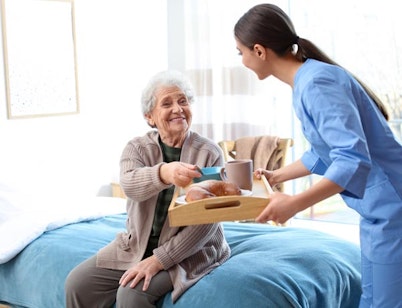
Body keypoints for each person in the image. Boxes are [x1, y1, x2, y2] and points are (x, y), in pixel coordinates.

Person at [234, 3, 402, 308]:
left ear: (259, 51)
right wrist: (277, 176)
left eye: (240, 52)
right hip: (381, 211)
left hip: (392, 207)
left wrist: (294, 204)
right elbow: (324, 154)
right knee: (375, 298)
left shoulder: (316, 83)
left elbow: (352, 159)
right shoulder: (308, 80)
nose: (242, 60)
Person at [65, 70, 230, 307]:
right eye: (167, 103)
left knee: (131, 294)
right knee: (77, 284)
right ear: (150, 117)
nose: (178, 108)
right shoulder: (137, 149)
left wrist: (159, 260)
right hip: (136, 245)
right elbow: (131, 185)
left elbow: (207, 222)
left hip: (191, 250)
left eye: (183, 101)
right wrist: (165, 172)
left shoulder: (209, 152)